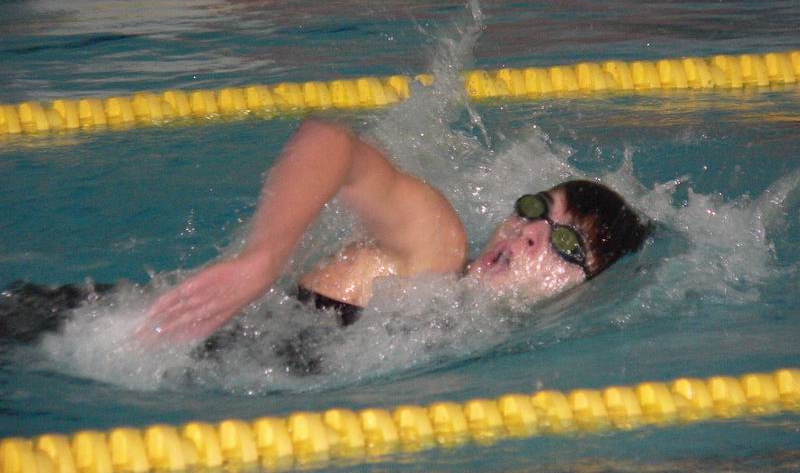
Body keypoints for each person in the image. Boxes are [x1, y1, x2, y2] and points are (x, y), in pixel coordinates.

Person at [139, 118, 651, 343]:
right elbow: (331, 141)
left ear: (586, 290)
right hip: (143, 335)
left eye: (565, 243)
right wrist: (262, 260)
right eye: (536, 209)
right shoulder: (435, 250)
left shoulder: (464, 331)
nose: (530, 232)